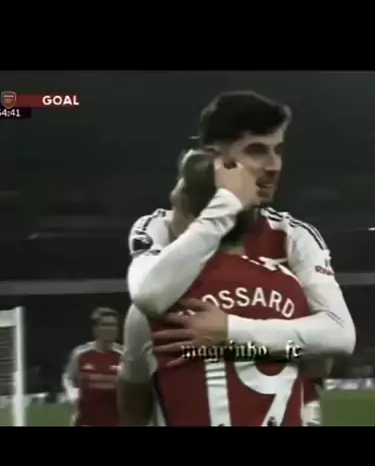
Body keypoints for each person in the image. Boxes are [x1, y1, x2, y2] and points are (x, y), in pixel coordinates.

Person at [125, 91, 355, 397]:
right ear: (213, 159)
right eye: (257, 151)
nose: (274, 166)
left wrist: (230, 333)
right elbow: (149, 297)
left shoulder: (293, 235)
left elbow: (340, 335)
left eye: (278, 150)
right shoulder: (158, 226)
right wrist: (226, 206)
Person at [121, 150, 321, 425]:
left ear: (186, 209)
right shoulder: (293, 289)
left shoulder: (156, 307)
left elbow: (133, 400)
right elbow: (319, 364)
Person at [62, 307, 123, 426]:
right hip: (86, 422)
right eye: (105, 325)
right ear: (95, 329)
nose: (110, 329)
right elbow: (67, 377)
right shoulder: (81, 354)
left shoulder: (124, 356)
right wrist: (73, 394)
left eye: (113, 325)